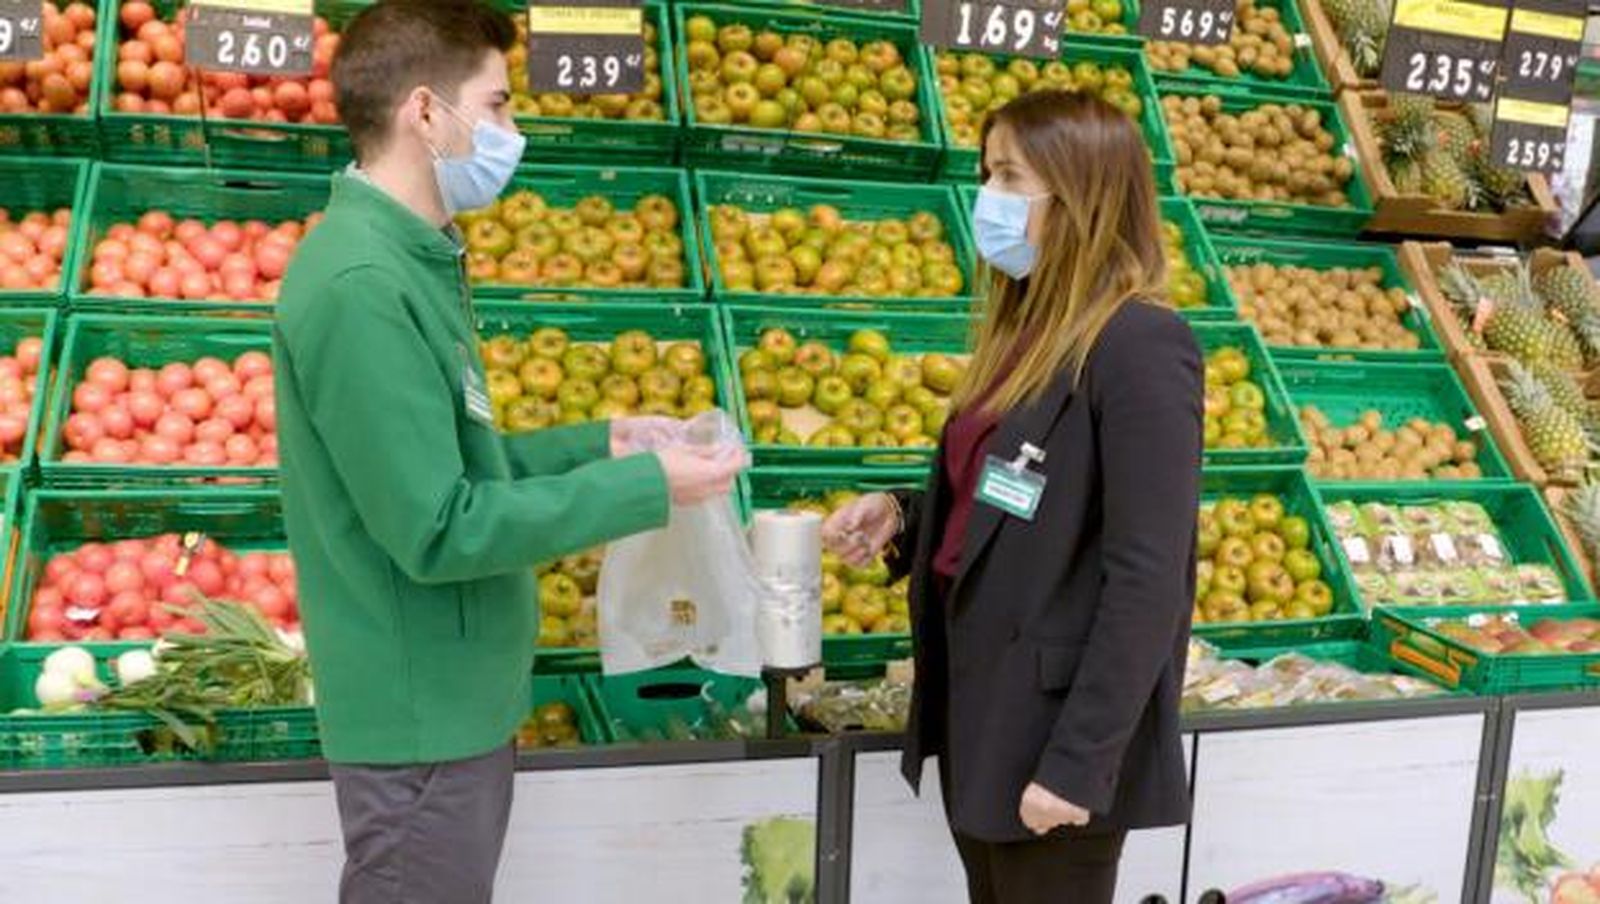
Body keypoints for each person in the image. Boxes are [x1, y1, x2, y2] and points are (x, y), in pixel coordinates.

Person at [273, 2, 745, 901]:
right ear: (424, 111)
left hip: (454, 697)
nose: (511, 132)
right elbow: (439, 528)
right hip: (421, 714)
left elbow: (453, 462)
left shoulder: (412, 258)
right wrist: (644, 487)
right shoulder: (362, 285)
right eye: (495, 107)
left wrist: (597, 443)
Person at [822, 90, 1203, 904]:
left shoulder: (1139, 343)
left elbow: (1149, 579)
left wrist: (1079, 763)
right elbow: (1014, 489)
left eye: (1007, 177)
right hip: (984, 710)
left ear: (1080, 195)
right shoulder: (1025, 330)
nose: (986, 198)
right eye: (985, 172)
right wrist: (904, 513)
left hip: (1055, 736)